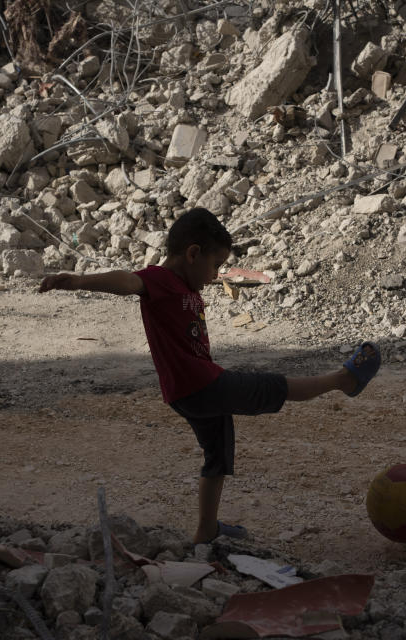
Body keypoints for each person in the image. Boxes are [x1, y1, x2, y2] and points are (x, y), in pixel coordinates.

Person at [39, 207, 381, 544]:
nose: (216, 275)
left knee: (217, 454)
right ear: (192, 254)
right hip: (199, 385)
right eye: (215, 265)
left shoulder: (187, 289)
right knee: (272, 386)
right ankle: (344, 381)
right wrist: (79, 281)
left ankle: (206, 530)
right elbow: (128, 281)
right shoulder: (161, 279)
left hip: (193, 389)